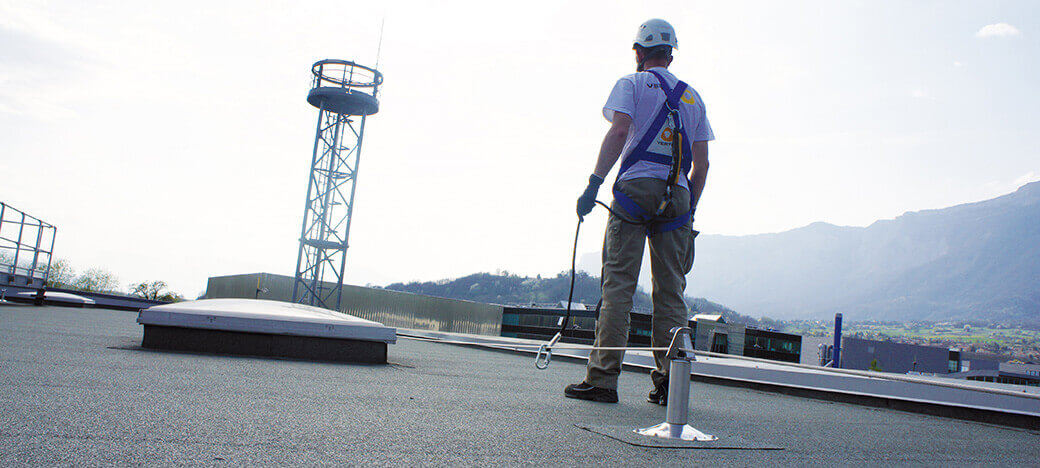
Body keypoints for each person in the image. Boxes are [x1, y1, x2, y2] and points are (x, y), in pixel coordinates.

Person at [564, 19, 713, 404]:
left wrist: (593, 185)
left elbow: (618, 132)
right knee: (671, 293)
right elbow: (703, 164)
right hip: (678, 194)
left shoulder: (631, 84)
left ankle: (602, 380)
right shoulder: (694, 97)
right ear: (671, 52)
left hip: (635, 190)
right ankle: (670, 384)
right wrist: (688, 210)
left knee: (619, 288)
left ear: (639, 52)